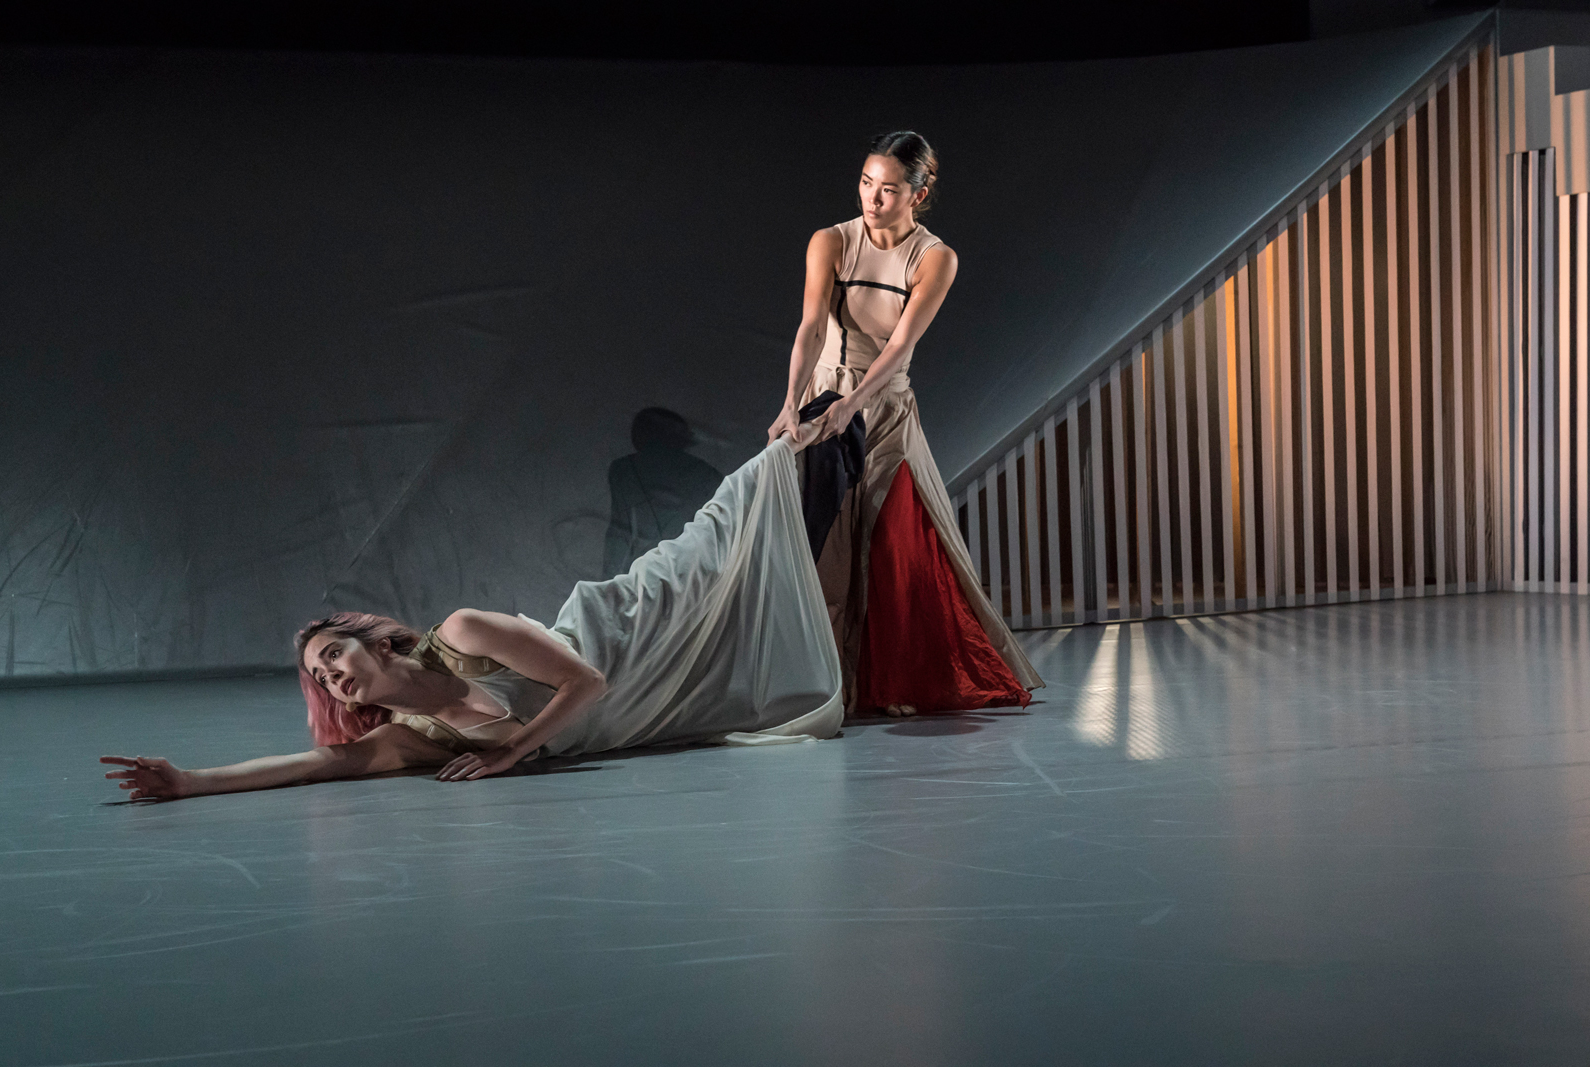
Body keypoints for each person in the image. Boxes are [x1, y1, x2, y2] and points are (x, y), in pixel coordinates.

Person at [102, 434, 843, 800]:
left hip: (623, 637)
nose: (330, 678)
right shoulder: (413, 739)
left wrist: (511, 751)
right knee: (766, 675)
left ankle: (828, 436)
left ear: (374, 641)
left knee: (718, 548)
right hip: (637, 710)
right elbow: (319, 764)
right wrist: (190, 780)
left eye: (331, 655)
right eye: (319, 679)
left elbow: (585, 682)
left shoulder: (460, 634)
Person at [765, 131, 1043, 716]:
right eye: (867, 183)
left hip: (885, 408)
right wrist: (792, 403)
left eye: (888, 189)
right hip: (823, 401)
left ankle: (895, 682)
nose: (872, 198)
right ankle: (832, 686)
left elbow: (898, 347)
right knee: (827, 550)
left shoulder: (934, 258)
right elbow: (810, 325)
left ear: (917, 195)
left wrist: (854, 405)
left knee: (896, 548)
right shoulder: (831, 241)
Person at [602, 407, 723, 578]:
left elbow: (620, 533)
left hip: (655, 569)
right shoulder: (706, 473)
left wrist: (609, 582)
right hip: (688, 570)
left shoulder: (624, 469)